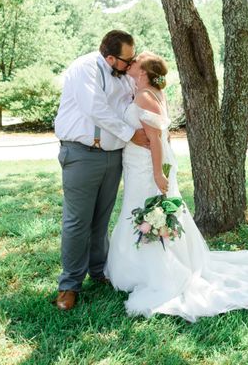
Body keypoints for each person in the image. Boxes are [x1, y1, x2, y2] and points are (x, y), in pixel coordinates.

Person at [104, 51, 248, 322]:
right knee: (145, 209)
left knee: (146, 209)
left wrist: (160, 174)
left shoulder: (144, 96)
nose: (132, 61)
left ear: (143, 71)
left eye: (136, 61)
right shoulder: (151, 93)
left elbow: (157, 140)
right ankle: (150, 263)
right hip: (143, 163)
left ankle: (154, 270)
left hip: (148, 167)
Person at [53, 30, 147, 311]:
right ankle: (69, 285)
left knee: (100, 221)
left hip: (114, 156)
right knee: (77, 222)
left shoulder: (124, 74)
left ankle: (98, 272)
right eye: (127, 60)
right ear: (109, 57)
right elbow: (96, 108)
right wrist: (130, 133)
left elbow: (133, 102)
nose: (131, 65)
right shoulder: (85, 68)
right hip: (82, 155)